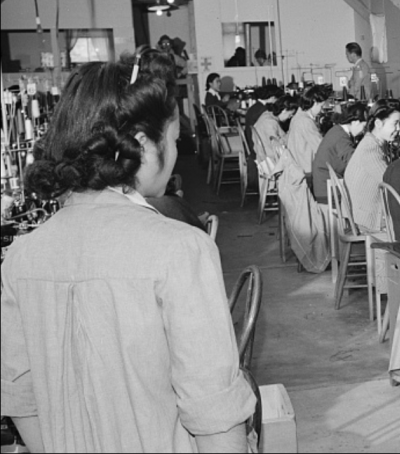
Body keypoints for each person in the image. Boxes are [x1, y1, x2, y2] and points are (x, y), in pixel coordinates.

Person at [2, 50, 255, 452]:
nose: (173, 155)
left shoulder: (20, 258)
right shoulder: (181, 249)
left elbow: (19, 397)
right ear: (141, 145)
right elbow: (215, 418)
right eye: (172, 142)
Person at [279, 84, 332, 273]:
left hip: (298, 172)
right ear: (315, 102)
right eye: (322, 105)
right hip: (306, 175)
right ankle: (329, 253)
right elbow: (322, 149)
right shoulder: (306, 122)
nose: (323, 109)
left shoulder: (299, 117)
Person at [345, 103, 400, 233]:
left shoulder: (372, 142)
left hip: (362, 213)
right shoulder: (371, 149)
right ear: (378, 123)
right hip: (369, 219)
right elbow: (392, 182)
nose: (399, 128)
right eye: (395, 123)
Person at [312, 101, 368, 207]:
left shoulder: (337, 130)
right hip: (329, 192)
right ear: (355, 122)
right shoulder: (341, 137)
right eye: (363, 126)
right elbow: (353, 162)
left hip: (325, 187)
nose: (362, 131)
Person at [253, 95, 299, 165]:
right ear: (284, 110)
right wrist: (291, 133)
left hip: (265, 157)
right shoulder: (270, 122)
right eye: (290, 114)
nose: (290, 117)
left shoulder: (266, 115)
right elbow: (277, 146)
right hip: (271, 160)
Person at [244, 85, 283, 161]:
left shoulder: (256, 107)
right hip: (258, 147)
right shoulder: (263, 111)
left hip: (252, 143)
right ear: (272, 98)